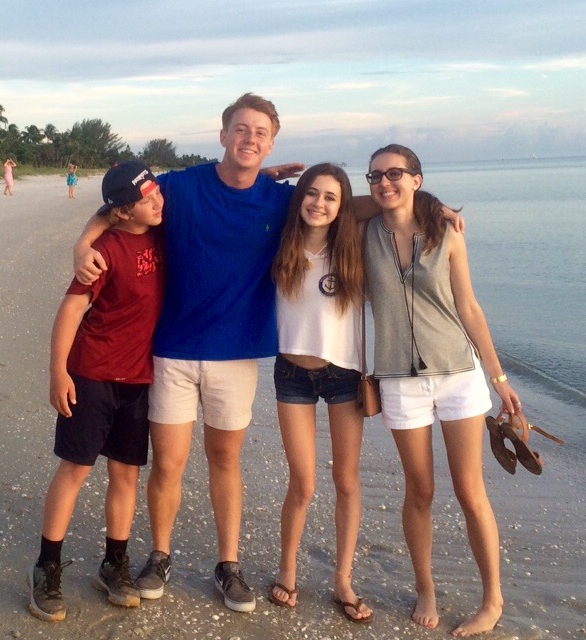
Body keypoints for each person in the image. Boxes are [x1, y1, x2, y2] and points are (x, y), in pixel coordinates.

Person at [73, 93, 462, 614]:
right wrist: (84, 242)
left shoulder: (282, 201)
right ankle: (159, 556)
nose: (249, 138)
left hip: (237, 355)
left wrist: (432, 205)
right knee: (168, 464)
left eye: (260, 132)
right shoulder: (182, 187)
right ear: (223, 134)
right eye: (241, 129)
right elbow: (122, 205)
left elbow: (359, 205)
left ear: (272, 143)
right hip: (172, 350)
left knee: (225, 460)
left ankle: (228, 565)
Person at [363, 144, 520, 637]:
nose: (384, 182)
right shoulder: (364, 233)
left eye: (395, 174)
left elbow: (468, 307)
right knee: (420, 490)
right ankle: (425, 587)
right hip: (399, 380)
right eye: (375, 176)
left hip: (458, 375)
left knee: (470, 491)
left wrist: (499, 378)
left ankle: (492, 599)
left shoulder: (446, 234)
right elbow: (338, 204)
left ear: (417, 178)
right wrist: (432, 201)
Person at [28, 161, 165, 622]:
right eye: (147, 199)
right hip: (92, 375)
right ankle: (46, 568)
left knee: (126, 474)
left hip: (138, 379)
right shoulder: (103, 251)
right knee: (76, 469)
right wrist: (58, 374)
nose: (158, 202)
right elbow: (71, 311)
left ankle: (114, 564)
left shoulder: (162, 231)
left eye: (157, 192)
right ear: (122, 211)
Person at [269, 163, 372, 623]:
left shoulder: (354, 244)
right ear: (300, 197)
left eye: (331, 197)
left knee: (346, 480)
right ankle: (287, 570)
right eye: (311, 193)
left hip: (344, 374)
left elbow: (386, 205)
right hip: (292, 373)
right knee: (304, 483)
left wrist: (435, 208)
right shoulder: (281, 241)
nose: (318, 203)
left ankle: (343, 580)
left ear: (343, 205)